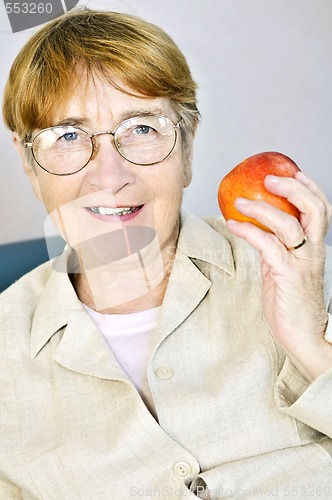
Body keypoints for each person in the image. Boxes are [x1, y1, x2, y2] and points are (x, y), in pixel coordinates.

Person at [1, 8, 332, 499]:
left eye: (142, 128)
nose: (110, 176)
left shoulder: (298, 269)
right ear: (30, 166)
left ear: (188, 150)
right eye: (68, 137)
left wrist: (312, 349)